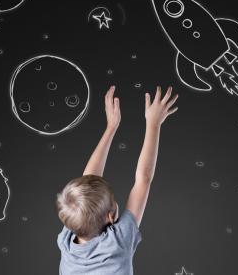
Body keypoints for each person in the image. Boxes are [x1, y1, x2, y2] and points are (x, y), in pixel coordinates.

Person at [56, 85, 179, 274]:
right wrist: (153, 124)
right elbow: (143, 179)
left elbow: (89, 180)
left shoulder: (67, 241)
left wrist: (111, 127)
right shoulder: (117, 242)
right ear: (110, 217)